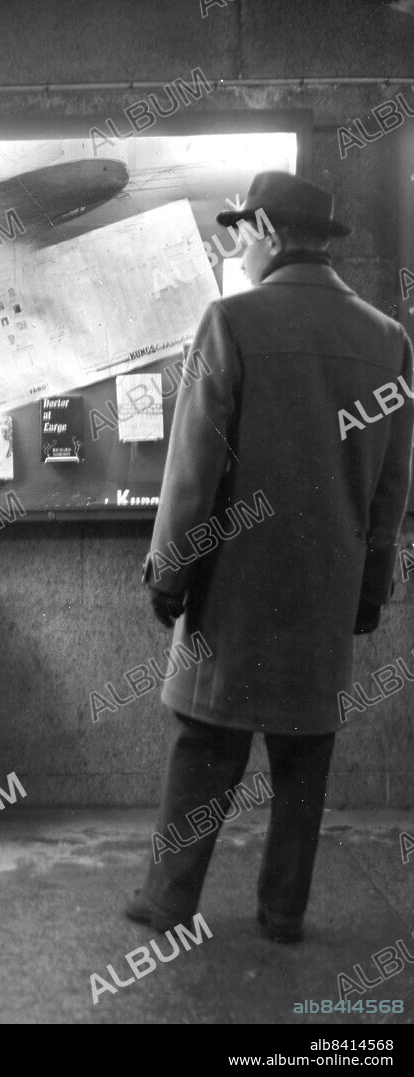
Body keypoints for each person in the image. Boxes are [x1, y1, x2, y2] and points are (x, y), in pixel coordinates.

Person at [127, 172, 414, 943]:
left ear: (264, 230)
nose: (235, 249)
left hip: (235, 590)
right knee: (302, 760)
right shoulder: (387, 339)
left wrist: (168, 573)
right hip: (324, 592)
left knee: (203, 745)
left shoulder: (230, 321)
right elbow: (391, 487)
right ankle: (282, 909)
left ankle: (169, 902)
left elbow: (192, 469)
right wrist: (369, 591)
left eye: (237, 233)